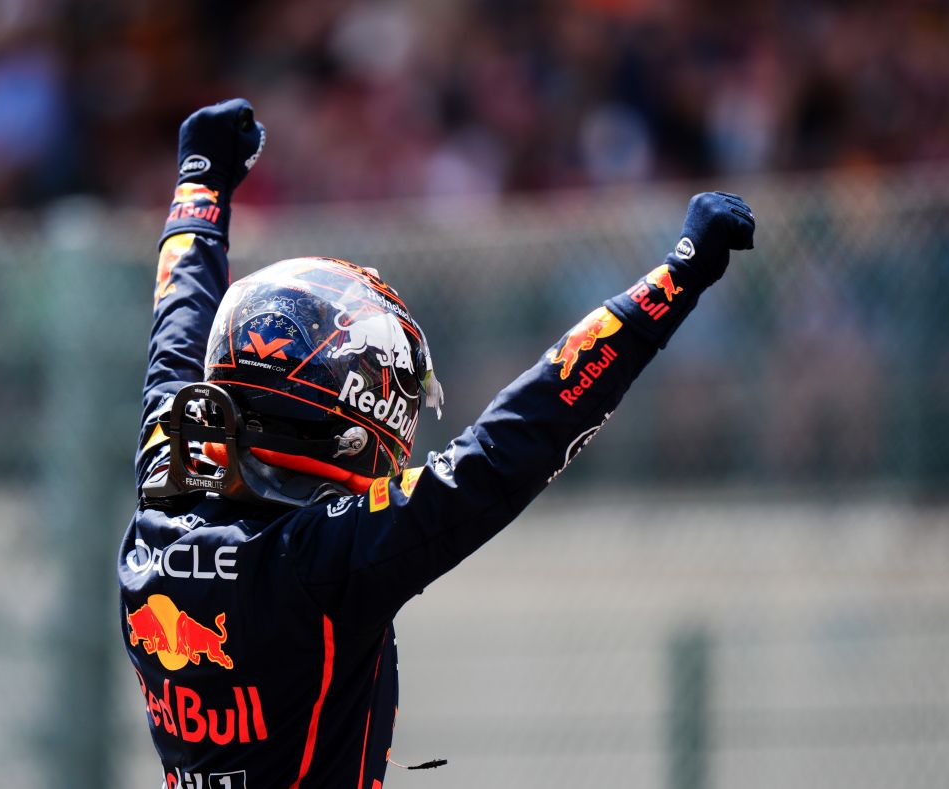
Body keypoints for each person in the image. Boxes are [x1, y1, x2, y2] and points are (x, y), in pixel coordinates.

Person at [118, 98, 755, 789]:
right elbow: (516, 441)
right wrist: (676, 280)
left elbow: (177, 325)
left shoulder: (162, 494)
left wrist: (200, 183)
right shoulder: (325, 557)